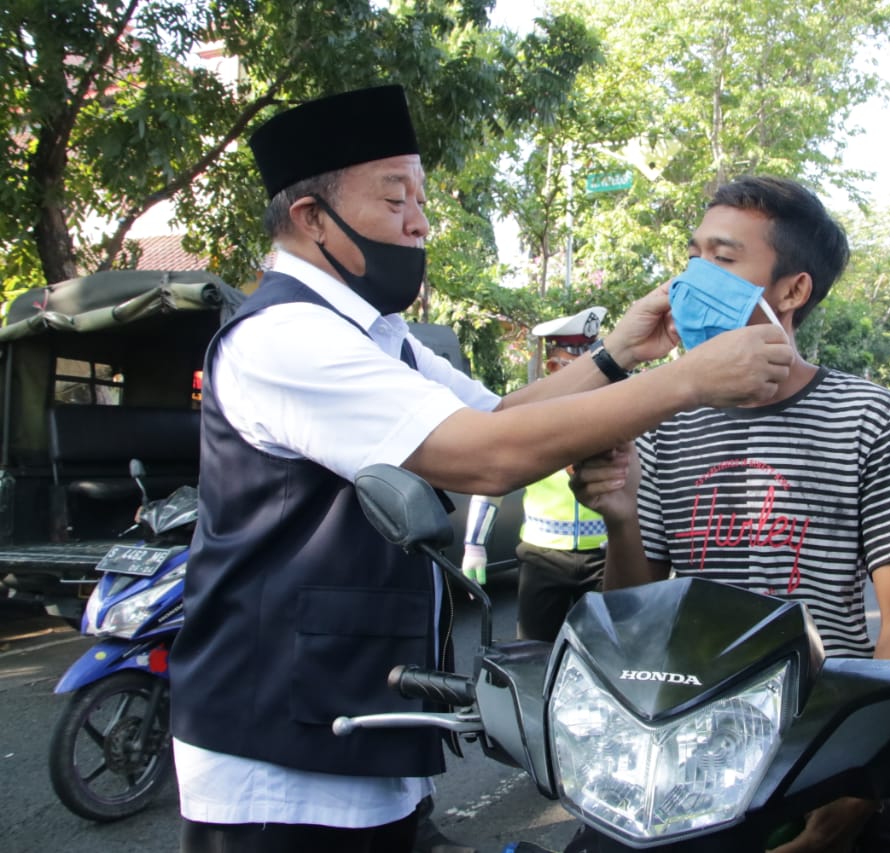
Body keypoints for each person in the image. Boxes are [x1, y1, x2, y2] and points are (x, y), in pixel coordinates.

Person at [166, 85, 796, 853]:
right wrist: (688, 380)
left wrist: (619, 353)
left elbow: (499, 417)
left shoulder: (378, 333)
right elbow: (484, 458)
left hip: (346, 717)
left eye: (421, 197)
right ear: (309, 219)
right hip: (278, 756)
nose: (421, 220)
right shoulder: (286, 338)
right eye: (397, 198)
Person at [571, 175, 890, 853]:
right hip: (680, 743)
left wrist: (861, 779)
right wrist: (621, 516)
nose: (692, 278)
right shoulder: (665, 419)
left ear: (793, 290)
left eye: (722, 259)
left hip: (821, 738)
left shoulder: (873, 419)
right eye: (691, 255)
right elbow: (634, 616)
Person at [462, 306, 609, 641]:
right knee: (533, 653)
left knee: (604, 655)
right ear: (551, 366)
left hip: (603, 554)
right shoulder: (529, 411)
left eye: (590, 365)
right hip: (542, 555)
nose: (580, 376)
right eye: (566, 366)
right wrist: (474, 545)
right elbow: (493, 475)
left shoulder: (612, 407)